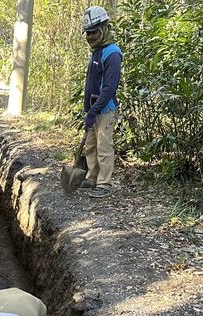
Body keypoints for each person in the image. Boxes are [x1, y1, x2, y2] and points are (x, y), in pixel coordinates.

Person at [79, 6, 123, 199]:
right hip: (93, 109)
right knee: (90, 145)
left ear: (104, 29)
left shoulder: (112, 53)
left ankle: (104, 183)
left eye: (94, 32)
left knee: (104, 147)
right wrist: (87, 110)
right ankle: (91, 177)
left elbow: (109, 88)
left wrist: (94, 110)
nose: (90, 36)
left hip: (104, 109)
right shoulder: (97, 51)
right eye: (88, 33)